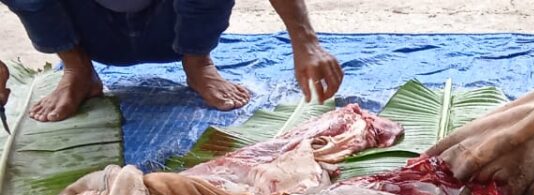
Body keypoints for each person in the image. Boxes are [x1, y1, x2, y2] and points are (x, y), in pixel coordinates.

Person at [0, 0, 343, 122]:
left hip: (174, 28)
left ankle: (198, 64)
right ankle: (77, 70)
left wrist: (305, 41)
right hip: (89, 32)